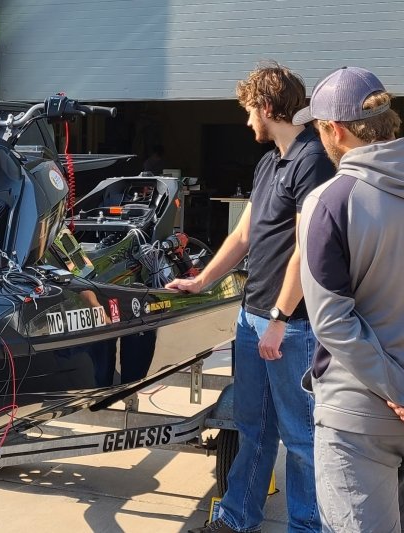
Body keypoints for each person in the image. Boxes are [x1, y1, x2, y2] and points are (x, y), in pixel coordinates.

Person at [166, 61, 334, 533]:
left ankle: (308, 526)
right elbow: (243, 234)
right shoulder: (268, 162)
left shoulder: (312, 159)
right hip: (252, 315)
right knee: (253, 428)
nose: (246, 122)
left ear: (265, 107)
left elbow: (306, 246)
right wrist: (202, 280)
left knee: (301, 437)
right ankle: (237, 517)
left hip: (292, 325)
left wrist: (281, 316)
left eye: (247, 111)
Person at [296, 66, 404, 532]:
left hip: (360, 412)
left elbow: (332, 321)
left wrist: (397, 389)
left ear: (334, 130)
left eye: (319, 129)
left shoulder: (329, 201)